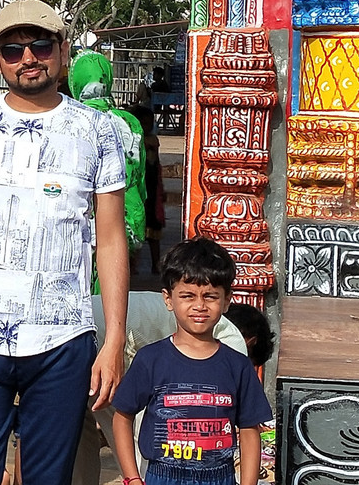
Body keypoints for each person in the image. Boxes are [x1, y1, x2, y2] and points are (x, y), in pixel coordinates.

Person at [0, 0, 130, 485]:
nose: (28, 58)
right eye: (13, 50)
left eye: (39, 45)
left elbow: (111, 236)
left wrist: (114, 336)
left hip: (63, 338)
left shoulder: (97, 130)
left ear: (62, 51)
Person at [112, 238, 273, 485]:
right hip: (161, 477)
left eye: (210, 297)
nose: (199, 306)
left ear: (227, 300)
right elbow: (122, 416)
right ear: (168, 299)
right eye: (187, 296)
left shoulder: (237, 365)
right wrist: (132, 478)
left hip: (219, 477)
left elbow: (250, 430)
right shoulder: (150, 360)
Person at [69, 293, 275, 485]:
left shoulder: (220, 346)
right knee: (145, 440)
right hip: (101, 338)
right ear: (251, 342)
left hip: (76, 329)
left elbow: (246, 428)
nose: (200, 305)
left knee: (78, 439)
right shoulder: (233, 345)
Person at [68, 51, 146, 273]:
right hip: (127, 219)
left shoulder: (70, 121)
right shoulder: (129, 122)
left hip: (81, 222)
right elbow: (139, 178)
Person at [128, 105, 166, 274]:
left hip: (151, 189)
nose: (146, 127)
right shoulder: (133, 140)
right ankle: (132, 266)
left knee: (153, 231)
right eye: (142, 123)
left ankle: (156, 264)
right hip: (137, 190)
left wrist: (161, 187)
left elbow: (156, 166)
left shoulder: (151, 140)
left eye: (149, 123)